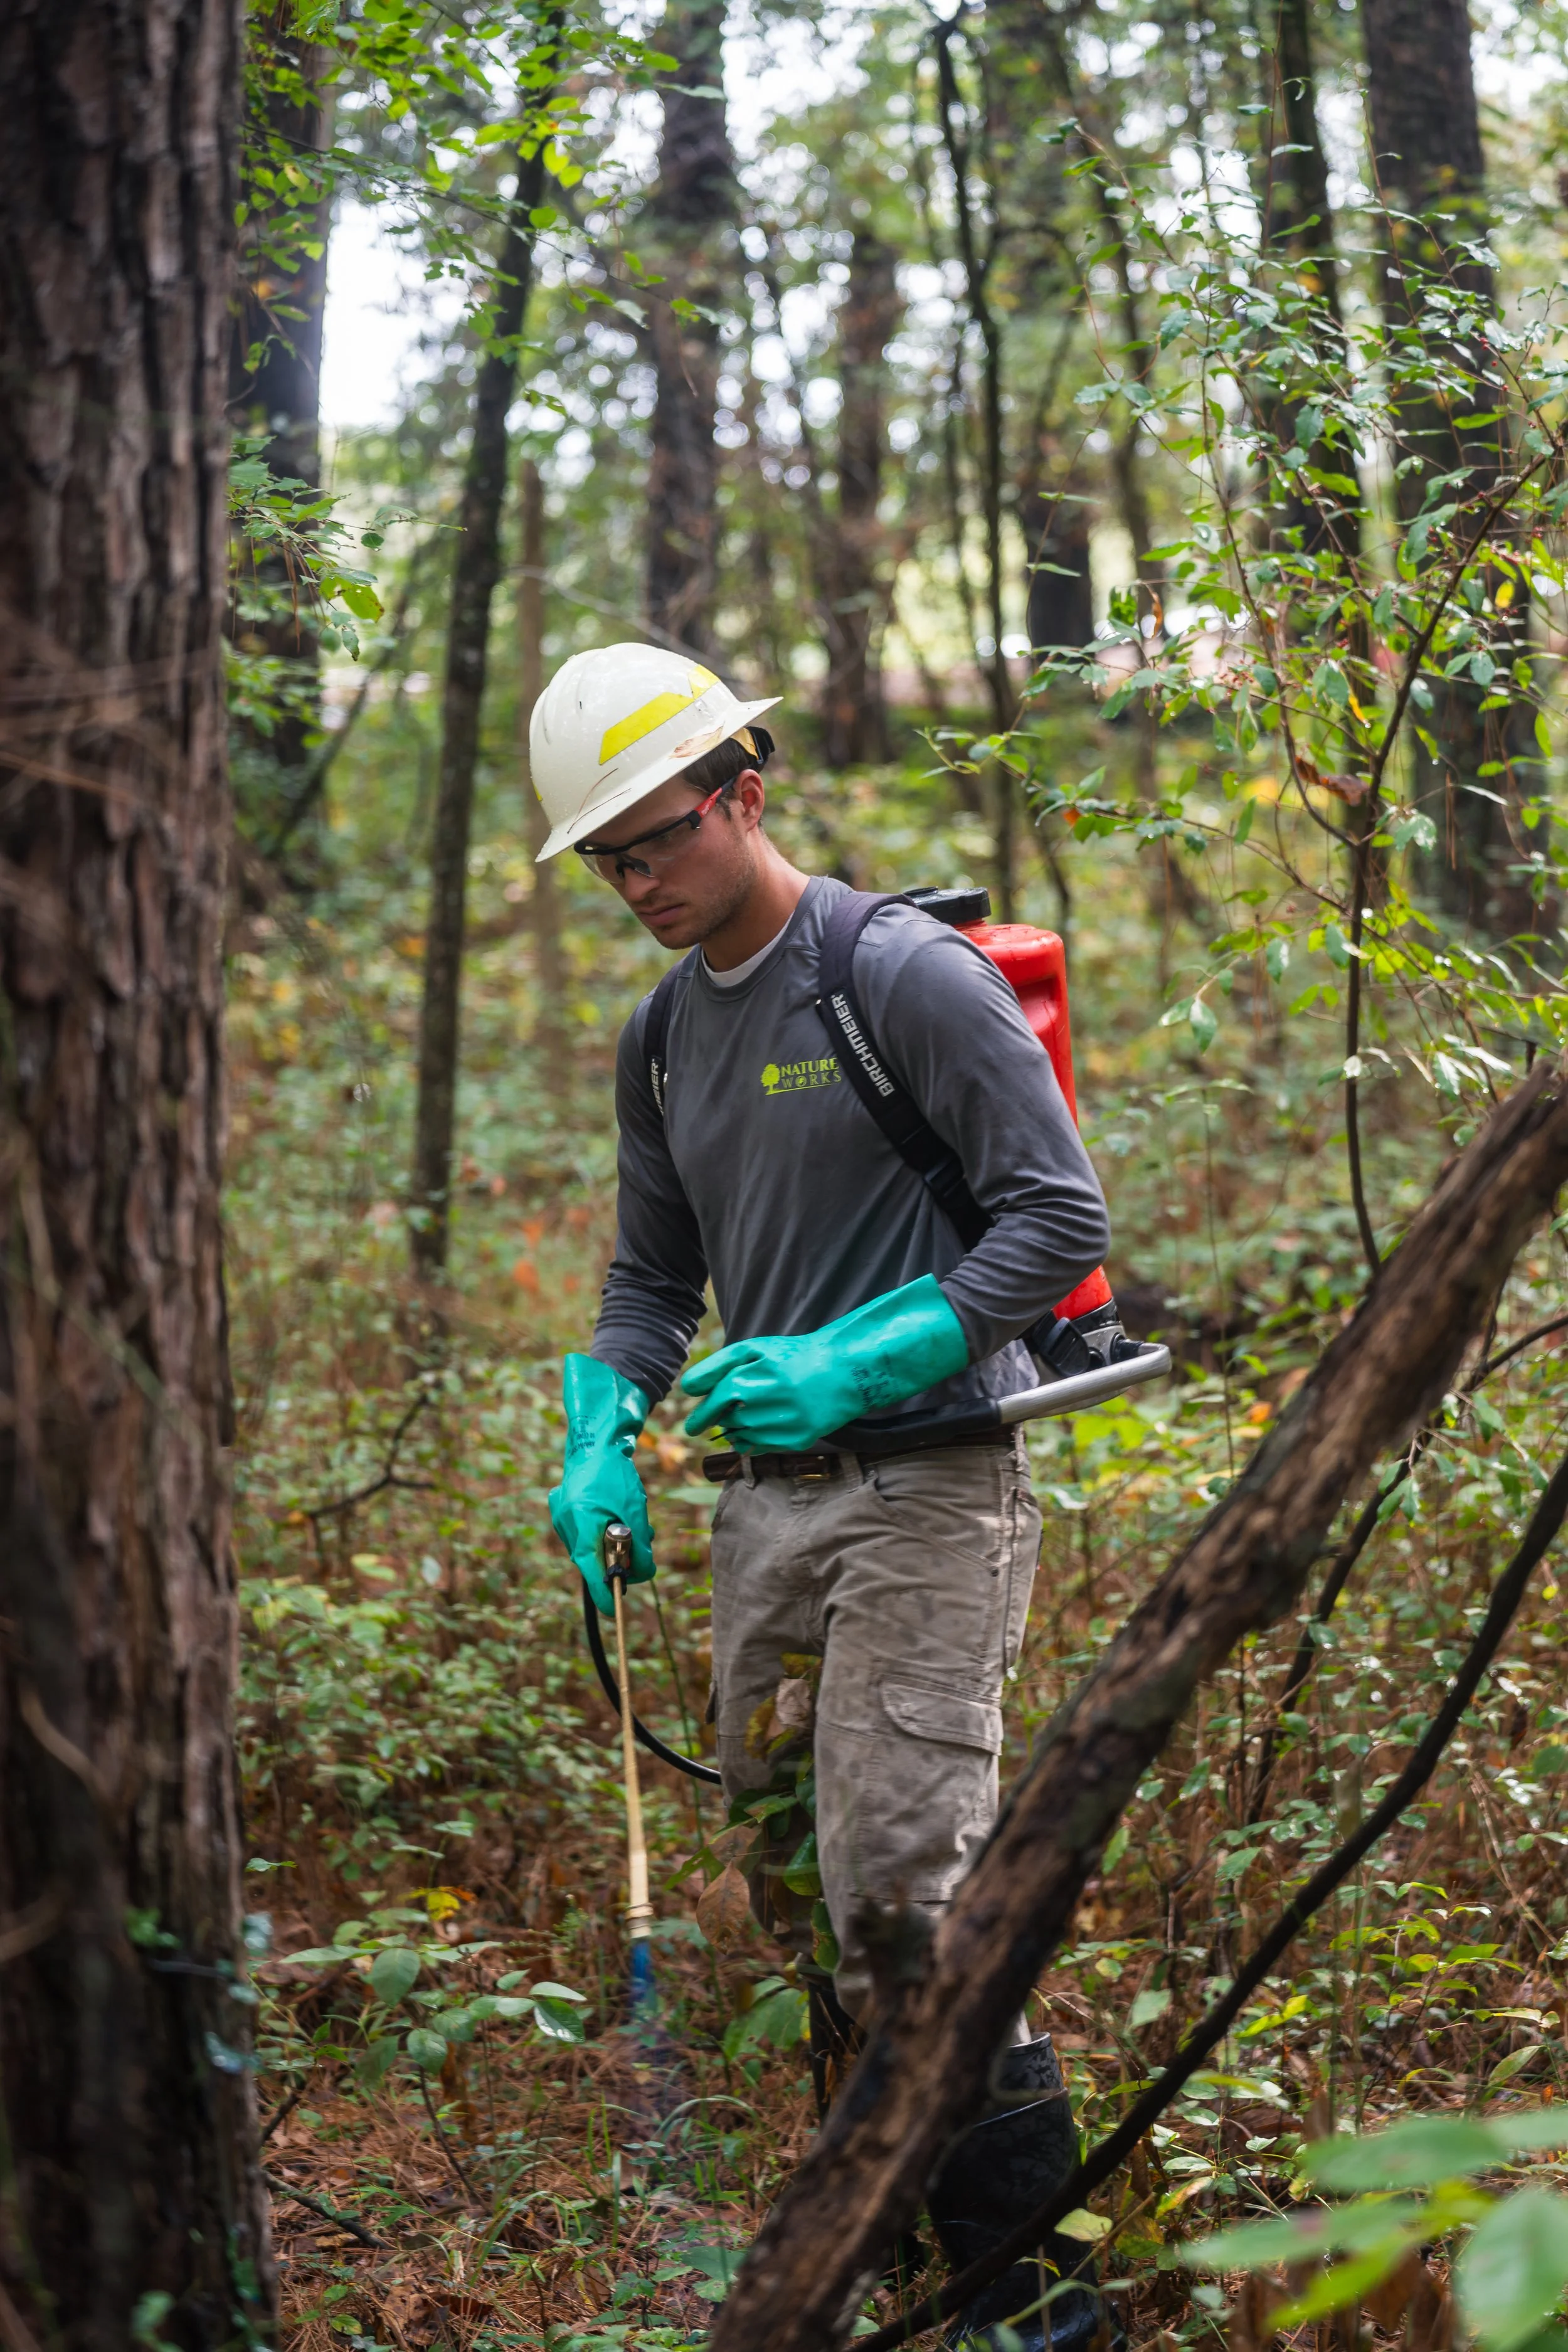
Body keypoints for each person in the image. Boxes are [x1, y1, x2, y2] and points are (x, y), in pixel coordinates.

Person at [537, 643, 1113, 2352]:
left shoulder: (896, 975)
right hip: (763, 1514)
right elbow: (652, 1281)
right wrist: (595, 1431)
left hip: (932, 1484)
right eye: (609, 858)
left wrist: (863, 1357)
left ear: (744, 790)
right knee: (794, 1881)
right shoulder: (659, 1039)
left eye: (658, 837)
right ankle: (895, 2251)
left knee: (902, 1890)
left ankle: (1041, 2311)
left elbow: (1056, 1219)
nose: (639, 880)